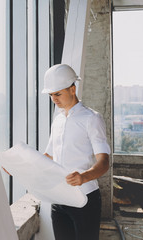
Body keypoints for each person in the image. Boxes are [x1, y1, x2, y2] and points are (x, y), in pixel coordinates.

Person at [42, 64, 110, 240]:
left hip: (85, 198)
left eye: (58, 93)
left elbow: (103, 163)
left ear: (72, 89)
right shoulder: (57, 121)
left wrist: (83, 177)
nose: (54, 99)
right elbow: (48, 157)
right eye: (51, 95)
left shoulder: (91, 119)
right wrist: (19, 165)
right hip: (59, 199)